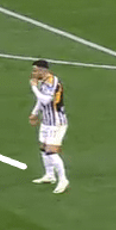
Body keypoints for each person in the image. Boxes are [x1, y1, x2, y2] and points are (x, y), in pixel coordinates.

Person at [29, 60, 69, 193]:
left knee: (51, 152)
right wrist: (34, 113)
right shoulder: (43, 82)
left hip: (56, 122)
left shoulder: (53, 82)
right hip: (46, 121)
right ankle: (49, 175)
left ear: (43, 70)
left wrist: (34, 87)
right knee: (43, 148)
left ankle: (63, 180)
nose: (33, 73)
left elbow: (46, 100)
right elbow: (40, 100)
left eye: (35, 70)